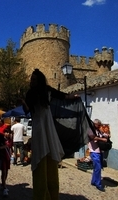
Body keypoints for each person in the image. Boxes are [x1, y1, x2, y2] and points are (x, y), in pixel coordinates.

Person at [22, 69, 76, 200]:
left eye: (34, 79)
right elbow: (27, 110)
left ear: (39, 80)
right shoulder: (33, 93)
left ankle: (50, 195)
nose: (31, 81)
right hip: (41, 126)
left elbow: (62, 95)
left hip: (46, 126)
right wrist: (23, 102)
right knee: (42, 154)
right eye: (31, 79)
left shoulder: (46, 90)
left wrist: (73, 97)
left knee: (49, 154)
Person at [88, 119, 108, 192]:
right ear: (95, 124)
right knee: (98, 168)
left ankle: (93, 181)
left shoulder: (98, 130)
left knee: (96, 168)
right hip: (94, 152)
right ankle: (98, 184)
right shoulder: (90, 130)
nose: (99, 126)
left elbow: (103, 135)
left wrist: (106, 135)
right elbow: (93, 138)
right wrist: (103, 139)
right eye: (98, 124)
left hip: (99, 151)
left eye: (100, 124)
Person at [1, 128, 13, 197]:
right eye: (6, 132)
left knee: (7, 172)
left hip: (8, 157)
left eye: (8, 133)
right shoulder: (2, 140)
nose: (7, 134)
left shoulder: (10, 140)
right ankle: (4, 187)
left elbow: (10, 147)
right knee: (4, 171)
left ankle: (3, 184)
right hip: (3, 157)